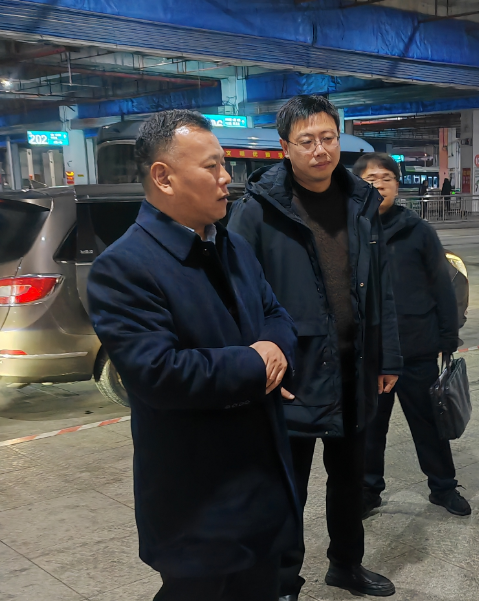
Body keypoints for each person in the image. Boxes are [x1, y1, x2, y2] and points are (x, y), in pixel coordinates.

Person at [86, 110, 300, 601]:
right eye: (212, 166)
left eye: (224, 165)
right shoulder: (124, 268)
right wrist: (256, 363)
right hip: (198, 500)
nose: (227, 178)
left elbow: (277, 316)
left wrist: (275, 348)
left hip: (262, 483)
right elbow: (159, 373)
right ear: (163, 177)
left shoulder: (232, 247)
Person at [227, 96, 402, 600]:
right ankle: (283, 581)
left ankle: (346, 565)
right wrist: (256, 362)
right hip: (295, 372)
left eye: (328, 138)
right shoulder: (258, 210)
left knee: (349, 478)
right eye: (307, 141)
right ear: (285, 147)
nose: (320, 150)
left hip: (354, 366)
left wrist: (387, 356)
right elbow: (236, 296)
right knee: (290, 486)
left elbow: (382, 286)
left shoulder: (361, 202)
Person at [353, 153, 469, 518]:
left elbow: (443, 288)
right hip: (371, 353)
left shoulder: (419, 231)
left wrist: (447, 339)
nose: (379, 185)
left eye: (386, 178)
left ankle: (443, 487)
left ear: (397, 185)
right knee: (370, 429)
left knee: (429, 424)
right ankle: (368, 490)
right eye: (370, 179)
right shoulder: (351, 231)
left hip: (416, 349)